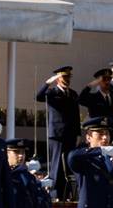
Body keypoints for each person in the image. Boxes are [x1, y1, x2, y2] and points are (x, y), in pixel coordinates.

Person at [34, 66, 80, 199]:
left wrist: (78, 133)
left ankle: (69, 192)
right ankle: (55, 193)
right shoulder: (52, 92)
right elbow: (38, 97)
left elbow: (76, 115)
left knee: (70, 162)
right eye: (64, 77)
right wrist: (47, 83)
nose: (67, 80)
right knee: (57, 164)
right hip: (57, 134)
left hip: (70, 134)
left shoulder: (72, 94)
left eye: (68, 77)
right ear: (58, 78)